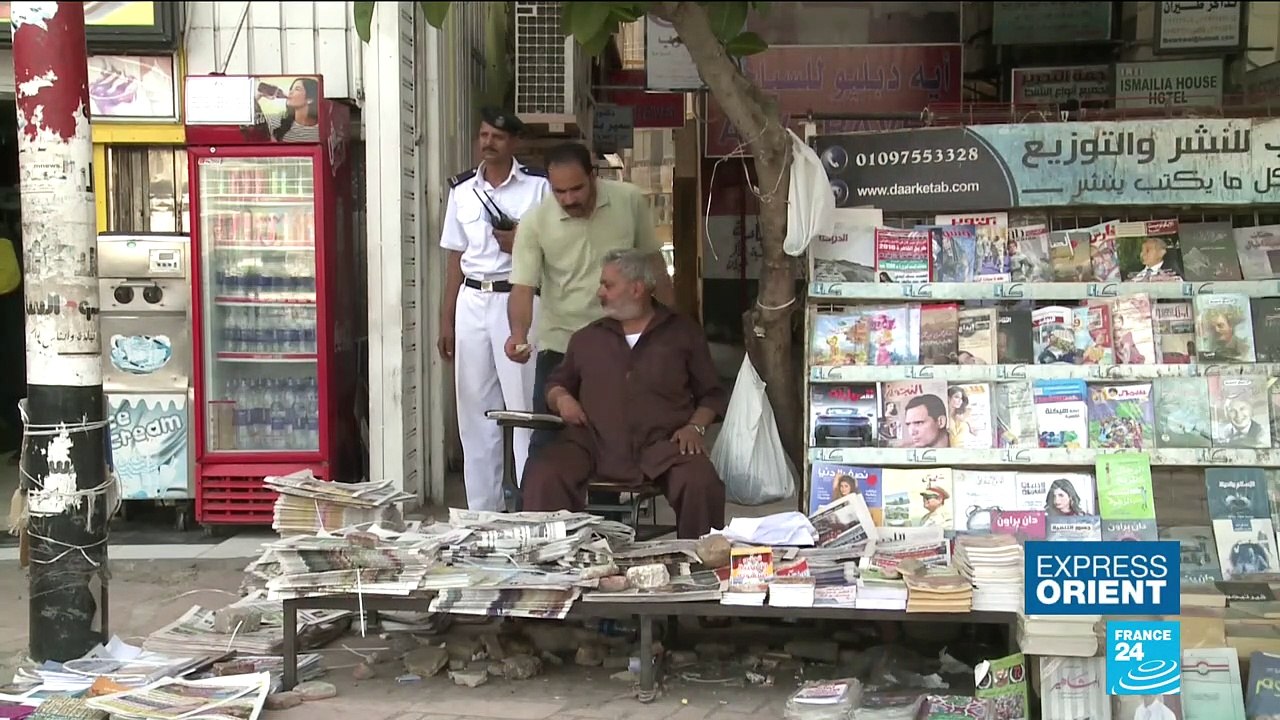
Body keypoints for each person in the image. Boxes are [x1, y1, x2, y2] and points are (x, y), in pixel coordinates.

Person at [521, 249, 727, 539]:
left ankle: (698, 565)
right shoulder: (587, 337)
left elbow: (712, 394)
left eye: (608, 285)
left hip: (662, 446)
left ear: (637, 287)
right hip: (592, 443)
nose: (600, 293)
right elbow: (556, 383)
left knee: (701, 481)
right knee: (544, 475)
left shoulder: (682, 333)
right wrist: (561, 398)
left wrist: (696, 426)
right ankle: (551, 566)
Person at [504, 142, 675, 460]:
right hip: (560, 347)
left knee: (612, 442)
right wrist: (518, 334)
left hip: (621, 345)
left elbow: (654, 267)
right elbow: (523, 288)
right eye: (559, 192)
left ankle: (606, 511)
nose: (569, 199)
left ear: (594, 175)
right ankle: (536, 510)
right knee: (547, 442)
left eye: (577, 189)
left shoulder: (629, 201)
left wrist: (670, 328)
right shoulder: (534, 222)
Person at [437, 108, 550, 512]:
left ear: (513, 142)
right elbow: (455, 258)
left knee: (523, 409)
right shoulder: (462, 191)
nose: (488, 142)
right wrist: (446, 318)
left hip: (517, 298)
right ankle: (482, 514)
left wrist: (520, 243)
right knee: (474, 412)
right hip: (472, 299)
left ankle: (530, 508)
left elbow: (554, 246)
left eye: (497, 137)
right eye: (483, 135)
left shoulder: (538, 187)